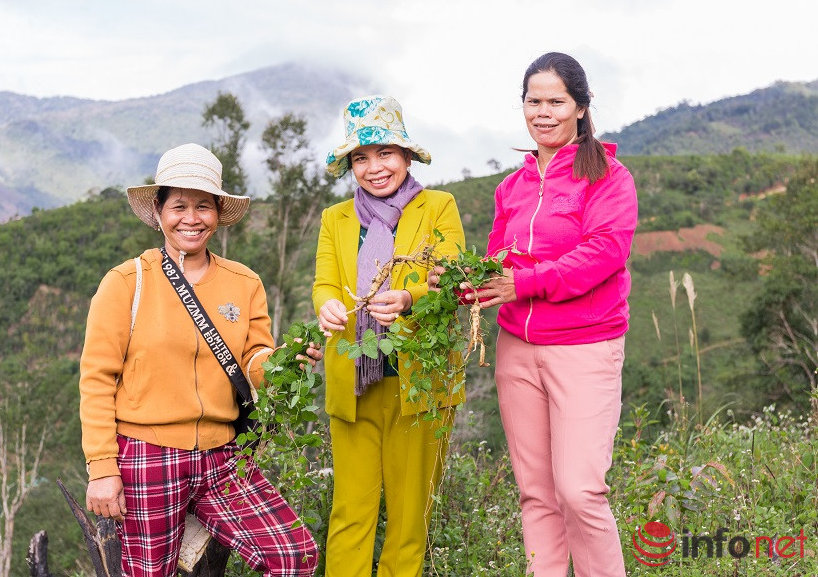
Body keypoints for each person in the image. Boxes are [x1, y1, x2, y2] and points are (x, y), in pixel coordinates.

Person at [80, 143, 321, 577]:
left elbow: (253, 362)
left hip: (223, 456)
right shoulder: (126, 283)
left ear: (217, 213)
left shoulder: (243, 282)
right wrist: (101, 468)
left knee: (294, 556)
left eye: (203, 207)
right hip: (146, 455)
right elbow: (97, 378)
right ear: (158, 211)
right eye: (179, 206)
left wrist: (284, 364)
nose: (191, 218)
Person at [458, 52, 637, 576]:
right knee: (536, 494)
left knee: (580, 490)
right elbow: (495, 261)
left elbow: (605, 252)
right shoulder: (510, 188)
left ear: (581, 107)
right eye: (533, 101)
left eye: (556, 101)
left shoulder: (608, 176)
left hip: (585, 346)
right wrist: (463, 285)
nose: (543, 111)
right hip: (518, 351)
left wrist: (525, 282)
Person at [313, 95, 466, 577]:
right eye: (361, 158)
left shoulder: (438, 207)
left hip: (418, 384)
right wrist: (328, 306)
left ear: (405, 155)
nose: (374, 168)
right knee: (350, 513)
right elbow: (323, 283)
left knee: (408, 516)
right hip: (355, 382)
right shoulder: (335, 218)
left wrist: (408, 299)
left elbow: (451, 282)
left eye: (384, 154)